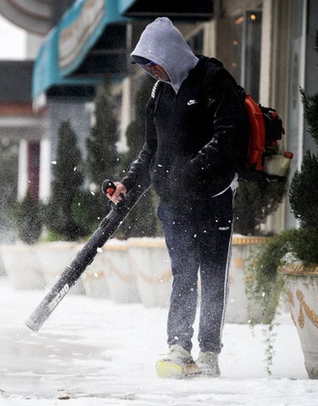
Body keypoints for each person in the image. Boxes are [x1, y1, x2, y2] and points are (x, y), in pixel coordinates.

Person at [106, 17, 248, 378]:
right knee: (184, 271)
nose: (152, 71)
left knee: (213, 273)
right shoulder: (159, 94)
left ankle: (210, 351)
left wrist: (191, 171)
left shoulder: (214, 80)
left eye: (154, 62)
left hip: (214, 197)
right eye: (146, 66)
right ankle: (179, 345)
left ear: (169, 54)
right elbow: (150, 150)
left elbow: (229, 136)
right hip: (173, 204)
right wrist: (128, 183)